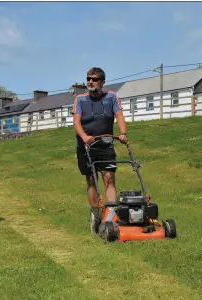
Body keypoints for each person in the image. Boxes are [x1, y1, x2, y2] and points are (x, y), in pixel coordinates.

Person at [72, 67, 128, 233]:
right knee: (91, 180)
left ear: (102, 82)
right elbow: (76, 122)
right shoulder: (80, 99)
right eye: (88, 78)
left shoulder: (111, 97)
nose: (90, 82)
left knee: (109, 178)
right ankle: (96, 214)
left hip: (105, 144)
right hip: (86, 147)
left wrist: (123, 133)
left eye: (94, 79)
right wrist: (84, 138)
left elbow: (119, 116)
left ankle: (110, 217)